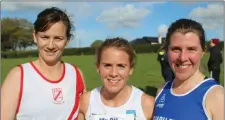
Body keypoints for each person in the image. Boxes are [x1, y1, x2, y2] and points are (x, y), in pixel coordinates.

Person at [1, 7, 86, 120]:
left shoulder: (76, 74)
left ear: (67, 40)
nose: (50, 45)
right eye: (45, 37)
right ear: (35, 37)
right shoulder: (18, 76)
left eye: (58, 38)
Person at [153, 18, 224, 120]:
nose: (182, 58)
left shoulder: (216, 96)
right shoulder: (162, 90)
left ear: (203, 51)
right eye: (176, 49)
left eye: (191, 49)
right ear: (166, 51)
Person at [78, 37, 154, 120]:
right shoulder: (86, 102)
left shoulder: (147, 104)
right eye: (107, 65)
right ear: (98, 67)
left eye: (121, 66)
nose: (113, 73)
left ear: (130, 69)